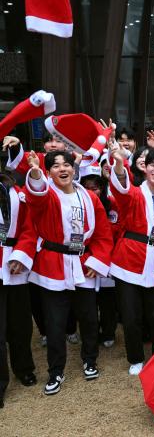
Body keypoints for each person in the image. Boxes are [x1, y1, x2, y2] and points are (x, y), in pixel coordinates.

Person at [24, 150, 113, 395]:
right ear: (49, 172)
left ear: (75, 169)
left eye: (67, 165)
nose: (62, 169)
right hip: (53, 265)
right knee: (55, 323)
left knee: (88, 318)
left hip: (83, 263)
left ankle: (90, 360)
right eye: (55, 166)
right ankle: (56, 371)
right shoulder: (47, 194)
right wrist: (34, 172)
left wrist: (97, 261)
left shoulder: (89, 198)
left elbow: (103, 234)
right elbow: (36, 196)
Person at [109, 146, 154, 376]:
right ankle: (135, 358)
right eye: (152, 165)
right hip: (128, 261)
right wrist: (119, 162)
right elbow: (120, 189)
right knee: (131, 317)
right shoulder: (134, 194)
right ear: (145, 167)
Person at [0, 171, 38, 408]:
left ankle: (24, 368)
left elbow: (30, 226)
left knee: (21, 324)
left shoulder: (17, 190)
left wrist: (22, 254)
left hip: (15, 264)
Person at [79, 164, 121, 347]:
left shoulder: (112, 204)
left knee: (108, 299)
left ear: (102, 188)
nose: (91, 191)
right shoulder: (77, 203)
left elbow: (118, 230)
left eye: (95, 187)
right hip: (85, 260)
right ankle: (91, 332)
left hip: (109, 259)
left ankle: (109, 331)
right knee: (88, 302)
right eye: (87, 187)